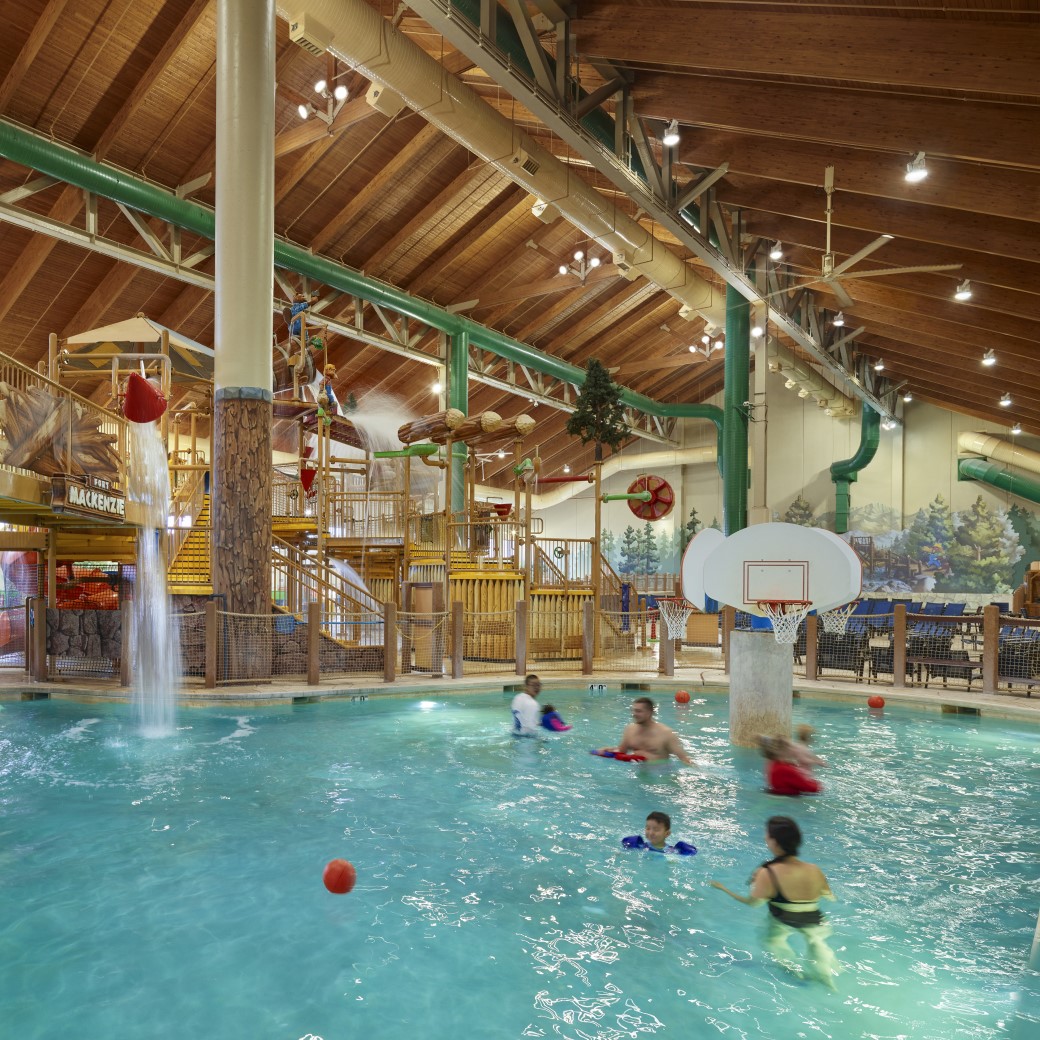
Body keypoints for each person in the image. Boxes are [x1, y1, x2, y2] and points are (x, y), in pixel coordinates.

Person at [710, 816, 838, 988]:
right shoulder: (814, 869)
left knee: (772, 941)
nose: (765, 838)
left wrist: (723, 889)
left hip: (783, 918)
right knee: (814, 939)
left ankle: (794, 973)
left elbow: (753, 903)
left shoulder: (767, 872)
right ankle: (826, 977)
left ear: (775, 842)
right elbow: (829, 896)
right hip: (816, 919)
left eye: (767, 835)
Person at [599, 696, 694, 765]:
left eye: (638, 711)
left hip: (661, 775)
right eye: (633, 710)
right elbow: (621, 751)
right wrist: (609, 750)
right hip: (639, 773)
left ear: (650, 713)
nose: (634, 714)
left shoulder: (666, 734)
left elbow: (684, 759)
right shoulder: (630, 729)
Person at [622, 810, 697, 856]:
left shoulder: (673, 851)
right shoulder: (640, 846)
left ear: (667, 834)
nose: (651, 832)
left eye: (656, 829)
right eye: (648, 828)